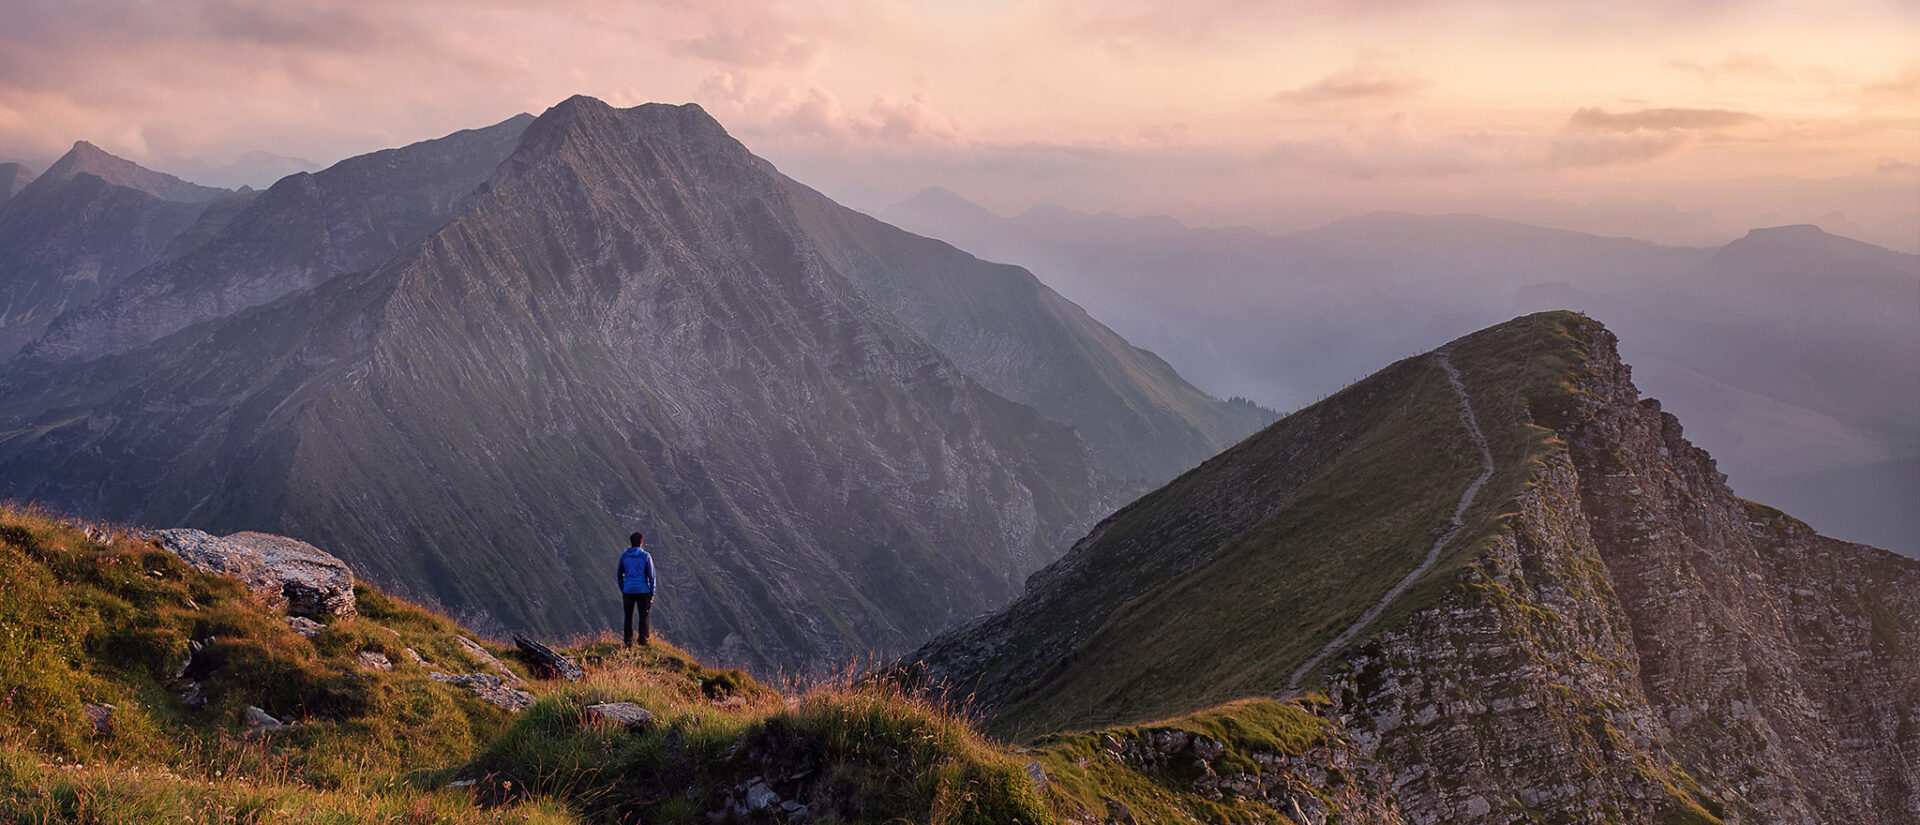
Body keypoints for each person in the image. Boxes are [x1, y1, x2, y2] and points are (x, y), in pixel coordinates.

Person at [617, 531, 655, 648]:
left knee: (628, 615)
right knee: (644, 615)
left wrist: (623, 588)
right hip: (643, 590)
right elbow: (651, 575)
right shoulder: (645, 556)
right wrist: (652, 591)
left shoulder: (624, 556)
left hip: (628, 590)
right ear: (641, 542)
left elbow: (619, 574)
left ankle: (628, 642)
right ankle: (643, 641)